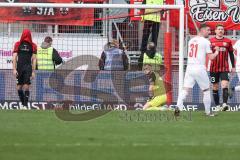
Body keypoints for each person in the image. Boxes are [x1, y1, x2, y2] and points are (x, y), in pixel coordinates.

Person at [176, 24, 219, 116]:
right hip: (199, 67)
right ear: (202, 30)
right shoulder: (205, 42)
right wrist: (217, 52)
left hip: (189, 67)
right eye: (208, 30)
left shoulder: (191, 40)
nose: (209, 32)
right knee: (206, 90)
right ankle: (208, 112)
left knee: (185, 89)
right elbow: (211, 57)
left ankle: (178, 108)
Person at [209, 24, 235, 111]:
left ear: (223, 31)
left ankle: (224, 104)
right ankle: (217, 106)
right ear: (215, 31)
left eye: (222, 29)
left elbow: (231, 54)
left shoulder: (228, 41)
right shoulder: (210, 41)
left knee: (225, 85)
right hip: (213, 68)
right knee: (215, 87)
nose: (220, 31)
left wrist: (233, 66)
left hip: (224, 68)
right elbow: (208, 54)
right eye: (219, 29)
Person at [12, 29, 37, 109]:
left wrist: (33, 71)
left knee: (26, 86)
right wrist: (14, 69)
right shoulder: (17, 44)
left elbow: (34, 59)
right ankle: (23, 104)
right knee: (19, 87)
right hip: (19, 67)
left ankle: (25, 105)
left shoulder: (33, 45)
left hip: (28, 67)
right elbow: (14, 57)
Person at [138, 0, 164, 69]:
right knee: (147, 35)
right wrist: (142, 17)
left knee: (152, 36)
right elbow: (143, 7)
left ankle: (150, 51)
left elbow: (163, 9)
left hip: (155, 18)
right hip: (149, 18)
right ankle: (144, 52)